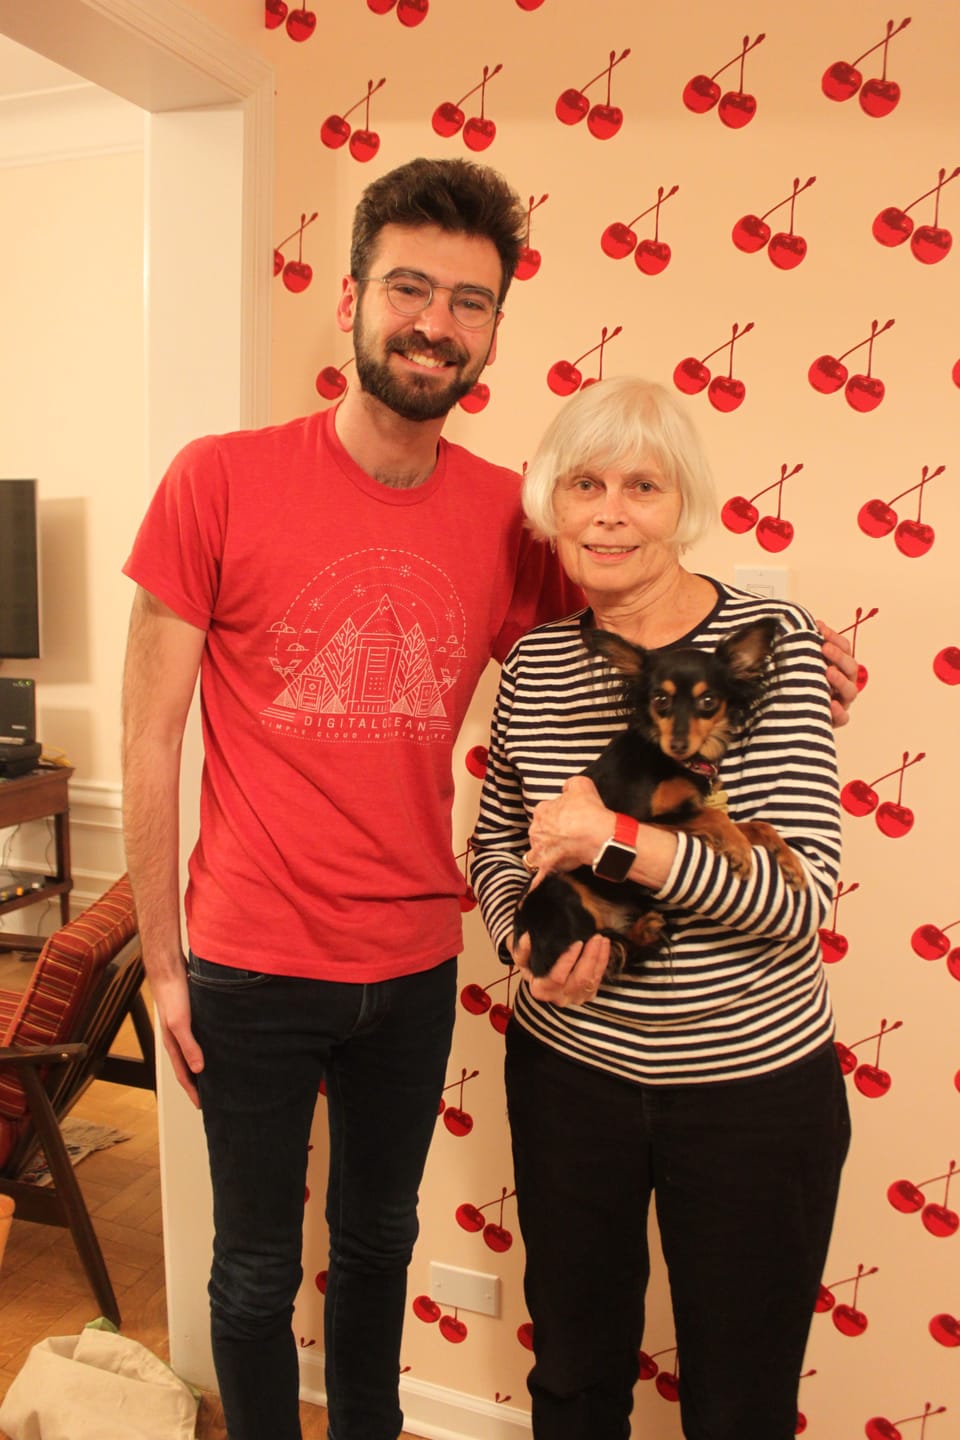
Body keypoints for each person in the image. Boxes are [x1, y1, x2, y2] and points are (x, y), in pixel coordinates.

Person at [120, 159, 857, 1440]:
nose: (434, 321)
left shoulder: (506, 523)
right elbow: (147, 739)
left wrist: (790, 633)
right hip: (252, 958)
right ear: (351, 296)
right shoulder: (217, 480)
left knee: (381, 1244)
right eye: (409, 287)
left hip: (411, 961)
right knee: (252, 1270)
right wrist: (163, 961)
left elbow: (643, 574)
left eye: (469, 300)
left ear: (493, 330)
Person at [470, 375, 852, 1440]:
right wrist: (518, 935)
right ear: (551, 504)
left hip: (751, 1096)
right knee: (575, 1382)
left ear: (682, 504)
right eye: (584, 483)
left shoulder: (763, 644)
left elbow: (799, 901)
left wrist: (618, 845)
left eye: (642, 485)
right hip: (569, 1083)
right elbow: (499, 842)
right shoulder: (538, 665)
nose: (609, 511)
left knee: (737, 1404)